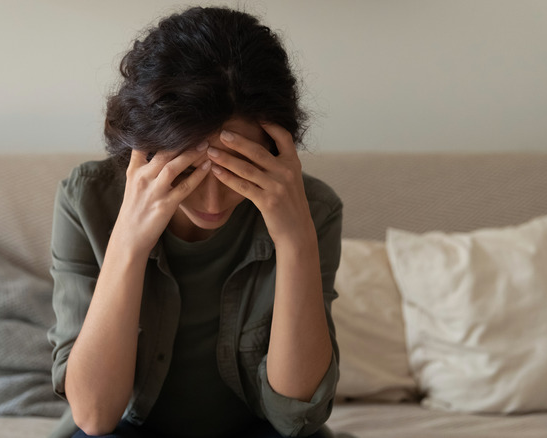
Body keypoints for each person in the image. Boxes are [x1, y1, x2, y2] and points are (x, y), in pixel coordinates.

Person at [47, 6, 343, 438]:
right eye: (186, 170)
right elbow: (94, 416)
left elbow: (295, 417)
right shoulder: (87, 199)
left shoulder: (313, 209)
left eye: (237, 170)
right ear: (147, 146)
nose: (211, 200)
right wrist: (129, 243)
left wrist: (295, 239)